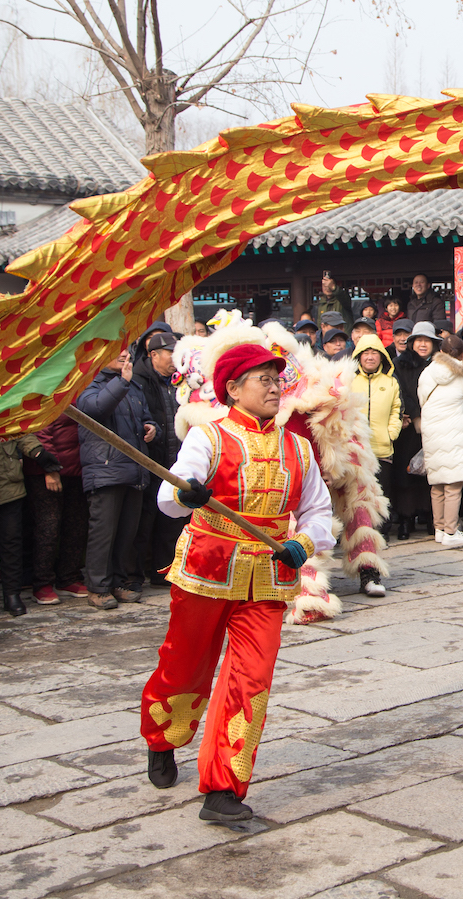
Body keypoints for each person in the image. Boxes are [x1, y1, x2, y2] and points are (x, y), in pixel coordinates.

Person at [142, 343, 335, 822]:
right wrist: (189, 494)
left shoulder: (298, 446)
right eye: (263, 380)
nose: (274, 388)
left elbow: (318, 511)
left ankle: (224, 787)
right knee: (185, 666)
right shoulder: (208, 437)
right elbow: (169, 494)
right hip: (207, 569)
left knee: (251, 680)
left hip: (269, 576)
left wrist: (304, 542)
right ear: (232, 388)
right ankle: (163, 738)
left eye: (277, 380)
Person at [76, 348, 158, 609]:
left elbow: (145, 416)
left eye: (126, 349)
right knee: (103, 533)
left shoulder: (132, 385)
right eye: (116, 350)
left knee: (126, 533)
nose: (124, 354)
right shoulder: (89, 383)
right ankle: (98, 587)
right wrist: (122, 382)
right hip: (106, 469)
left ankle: (118, 582)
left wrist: (151, 427)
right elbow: (96, 408)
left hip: (134, 469)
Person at [0, 434, 60, 615]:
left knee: (11, 543)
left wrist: (38, 452)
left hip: (9, 485)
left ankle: (12, 595)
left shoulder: (7, 414)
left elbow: (22, 433)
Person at [131, 329, 184, 588]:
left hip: (176, 459)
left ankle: (165, 571)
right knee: (145, 520)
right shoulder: (138, 380)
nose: (175, 358)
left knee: (172, 519)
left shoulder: (180, 380)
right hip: (150, 460)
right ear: (153, 355)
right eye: (169, 353)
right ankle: (136, 574)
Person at [418, 332, 463, 546]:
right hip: (455, 428)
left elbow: (422, 398)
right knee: (453, 484)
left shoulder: (428, 372)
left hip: (432, 428)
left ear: (441, 352)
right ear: (462, 354)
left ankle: (439, 529)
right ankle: (451, 532)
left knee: (437, 483)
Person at [350, 332, 401, 590]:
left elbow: (396, 410)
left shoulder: (390, 382)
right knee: (359, 501)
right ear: (358, 356)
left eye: (375, 353)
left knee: (382, 496)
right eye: (366, 353)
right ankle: (360, 543)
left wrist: (391, 433)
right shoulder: (349, 381)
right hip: (356, 452)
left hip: (382, 449)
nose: (370, 357)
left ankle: (380, 536)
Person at [24, 412, 90, 604]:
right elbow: (40, 430)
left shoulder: (78, 394)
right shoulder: (48, 395)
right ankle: (42, 583)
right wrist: (49, 468)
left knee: (76, 527)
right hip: (47, 471)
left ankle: (69, 577)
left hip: (77, 470)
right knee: (48, 528)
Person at [389, 321, 437, 541]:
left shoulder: (438, 365)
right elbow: (399, 391)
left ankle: (429, 516)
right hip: (408, 425)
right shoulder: (399, 364)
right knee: (406, 472)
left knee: (430, 472)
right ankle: (405, 519)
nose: (423, 344)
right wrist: (414, 413)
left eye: (427, 341)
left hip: (433, 424)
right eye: (419, 340)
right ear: (411, 343)